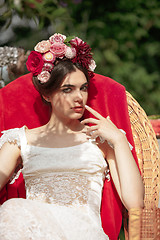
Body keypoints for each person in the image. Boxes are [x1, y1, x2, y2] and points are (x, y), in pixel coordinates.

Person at [0, 33, 144, 240]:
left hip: (84, 232)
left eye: (83, 88)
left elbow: (135, 203)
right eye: (68, 89)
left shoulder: (102, 140)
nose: (79, 98)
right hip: (36, 232)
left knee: (13, 208)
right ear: (46, 94)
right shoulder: (19, 141)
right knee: (12, 211)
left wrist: (119, 141)